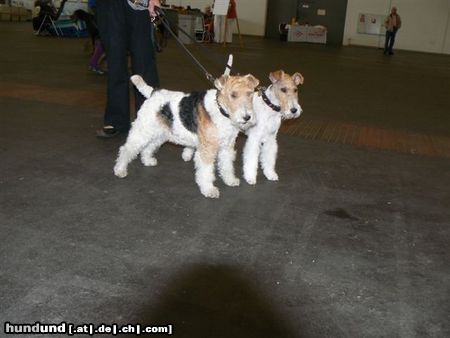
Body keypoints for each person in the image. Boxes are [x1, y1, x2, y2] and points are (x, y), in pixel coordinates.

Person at [95, 0, 161, 138]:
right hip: (109, 6)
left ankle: (149, 121)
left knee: (144, 62)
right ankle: (116, 120)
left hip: (139, 5)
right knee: (115, 62)